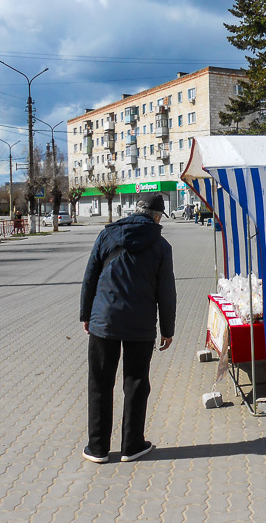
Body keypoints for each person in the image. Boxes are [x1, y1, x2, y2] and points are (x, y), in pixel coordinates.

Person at [79, 193, 176, 463]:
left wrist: (86, 314)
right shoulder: (161, 246)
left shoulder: (107, 235)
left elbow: (90, 276)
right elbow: (166, 292)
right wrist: (168, 328)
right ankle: (132, 446)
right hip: (140, 325)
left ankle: (97, 448)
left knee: (99, 382)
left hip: (104, 321)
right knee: (135, 383)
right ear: (156, 216)